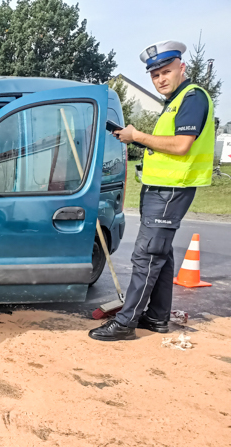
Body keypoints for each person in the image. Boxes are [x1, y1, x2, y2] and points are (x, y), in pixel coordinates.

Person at [89, 40, 215, 341]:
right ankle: (157, 317)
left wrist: (138, 135)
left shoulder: (192, 97)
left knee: (146, 255)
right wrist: (133, 137)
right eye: (155, 74)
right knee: (162, 253)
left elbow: (182, 145)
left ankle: (125, 322)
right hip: (161, 189)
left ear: (181, 68)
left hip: (171, 190)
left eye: (166, 71)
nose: (161, 79)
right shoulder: (175, 102)